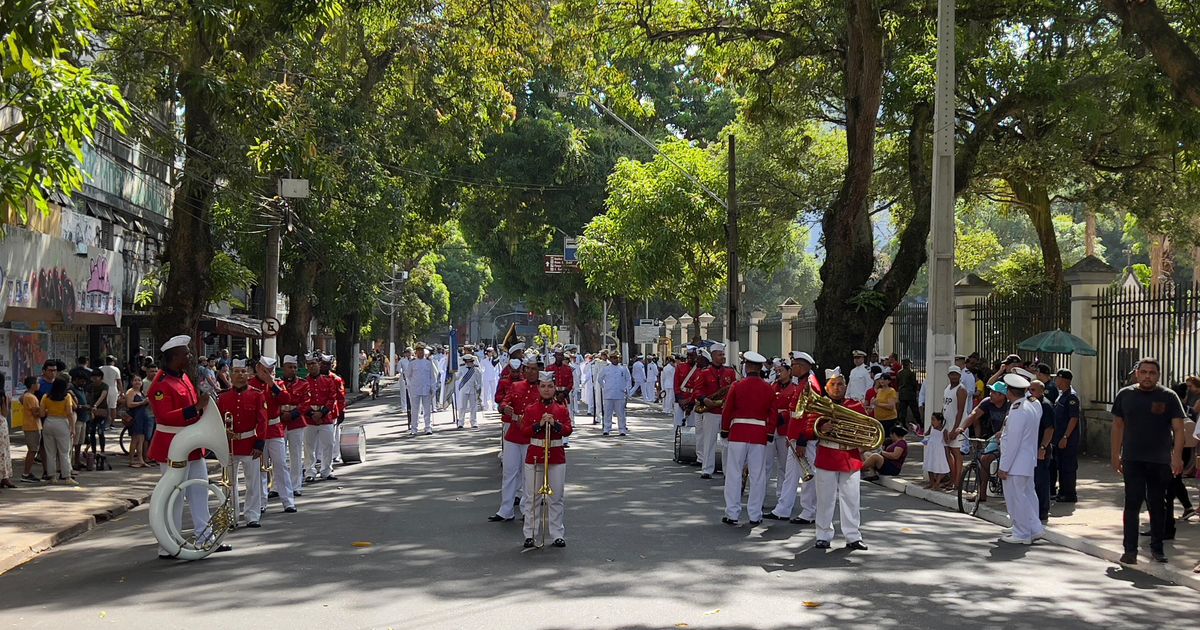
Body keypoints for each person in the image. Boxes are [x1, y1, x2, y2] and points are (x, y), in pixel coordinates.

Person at [148, 335, 232, 557]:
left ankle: (206, 537)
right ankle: (169, 543)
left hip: (192, 445)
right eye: (186, 353)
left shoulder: (183, 377)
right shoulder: (160, 384)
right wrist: (196, 407)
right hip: (172, 447)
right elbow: (165, 416)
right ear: (174, 357)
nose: (189, 356)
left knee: (200, 492)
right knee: (173, 495)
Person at [1111, 357, 1186, 565]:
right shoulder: (1125, 395)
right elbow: (1117, 426)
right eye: (1143, 372)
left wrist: (1177, 456)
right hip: (1132, 459)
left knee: (1157, 505)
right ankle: (1130, 550)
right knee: (1132, 503)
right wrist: (1115, 455)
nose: (1147, 376)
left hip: (1160, 461)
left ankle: (1157, 548)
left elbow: (1179, 429)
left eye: (1152, 373)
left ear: (1158, 376)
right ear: (1137, 374)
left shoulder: (1169, 396)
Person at [797, 369, 869, 550]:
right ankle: (823, 535)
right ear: (827, 388)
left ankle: (853, 536)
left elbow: (868, 429)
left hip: (849, 456)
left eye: (840, 384)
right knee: (825, 499)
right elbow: (806, 430)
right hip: (827, 455)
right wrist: (821, 428)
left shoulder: (855, 406)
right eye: (832, 385)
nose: (836, 388)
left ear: (845, 386)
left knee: (852, 499)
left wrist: (860, 443)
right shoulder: (820, 406)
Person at [517, 370, 573, 548]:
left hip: (556, 455)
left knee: (556, 497)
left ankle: (557, 533)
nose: (547, 390)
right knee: (532, 496)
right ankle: (530, 534)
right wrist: (539, 424)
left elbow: (567, 430)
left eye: (550, 386)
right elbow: (525, 432)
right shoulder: (531, 408)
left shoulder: (561, 409)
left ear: (555, 388)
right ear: (538, 388)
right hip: (535, 455)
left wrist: (554, 424)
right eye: (543, 386)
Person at [718, 351, 776, 525]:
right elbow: (772, 413)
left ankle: (732, 513)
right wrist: (770, 433)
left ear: (747, 366)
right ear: (759, 368)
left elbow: (727, 409)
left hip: (738, 433)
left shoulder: (737, 386)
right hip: (759, 434)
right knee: (757, 476)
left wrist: (725, 429)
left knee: (734, 473)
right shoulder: (768, 388)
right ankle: (755, 514)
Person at [217, 359, 268, 527]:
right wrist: (223, 434)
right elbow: (217, 421)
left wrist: (259, 443)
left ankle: (252, 515)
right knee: (229, 483)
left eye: (243, 372)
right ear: (230, 375)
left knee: (252, 482)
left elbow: (262, 421)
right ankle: (231, 516)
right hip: (229, 445)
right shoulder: (223, 397)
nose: (240, 375)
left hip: (249, 443)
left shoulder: (257, 395)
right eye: (236, 372)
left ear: (248, 375)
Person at [489, 359, 539, 523]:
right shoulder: (516, 386)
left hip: (531, 436)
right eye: (529, 369)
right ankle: (506, 510)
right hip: (513, 434)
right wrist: (504, 407)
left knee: (528, 474)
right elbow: (504, 401)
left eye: (534, 369)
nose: (531, 372)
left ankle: (526, 509)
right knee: (509, 472)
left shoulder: (542, 389)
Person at [998, 372, 1045, 544]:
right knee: (1027, 495)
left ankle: (1022, 533)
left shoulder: (1018, 410)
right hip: (1026, 460)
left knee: (1017, 497)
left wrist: (1003, 467)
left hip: (1016, 462)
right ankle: (1033, 528)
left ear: (1010, 392)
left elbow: (1013, 442)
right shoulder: (1032, 405)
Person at [249, 356, 296, 512]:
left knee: (280, 465)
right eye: (265, 371)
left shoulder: (277, 384)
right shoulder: (250, 385)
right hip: (257, 431)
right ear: (258, 369)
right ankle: (261, 502)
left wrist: (271, 383)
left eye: (271, 371)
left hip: (275, 429)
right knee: (260, 468)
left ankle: (288, 501)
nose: (268, 374)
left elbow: (286, 399)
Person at [695, 344, 738, 479]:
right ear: (713, 356)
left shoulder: (730, 372)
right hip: (711, 411)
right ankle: (707, 469)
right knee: (709, 440)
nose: (723, 357)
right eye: (720, 355)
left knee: (727, 443)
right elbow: (697, 390)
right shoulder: (704, 372)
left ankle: (727, 471)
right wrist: (704, 399)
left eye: (723, 354)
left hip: (726, 412)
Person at [278, 355, 308, 496]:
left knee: (296, 455)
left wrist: (293, 414)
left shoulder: (303, 384)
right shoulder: (277, 384)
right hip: (280, 422)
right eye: (290, 367)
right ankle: (276, 486)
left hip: (296, 422)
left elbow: (305, 402)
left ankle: (296, 486)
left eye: (295, 367)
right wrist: (281, 415)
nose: (293, 370)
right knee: (278, 456)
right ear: (284, 368)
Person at [39, 376, 77, 485]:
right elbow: (69, 413)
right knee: (64, 452)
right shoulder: (67, 397)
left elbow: (41, 414)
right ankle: (67, 477)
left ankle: (52, 477)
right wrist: (72, 428)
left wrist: (49, 411)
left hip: (48, 423)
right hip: (62, 423)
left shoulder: (45, 397)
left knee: (50, 452)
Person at [1028, 380, 1056, 523]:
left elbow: (1049, 429)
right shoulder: (1031, 403)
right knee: (1032, 481)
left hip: (1041, 449)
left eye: (1033, 389)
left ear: (1041, 391)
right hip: (1031, 448)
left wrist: (1043, 447)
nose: (1029, 392)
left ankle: (1042, 512)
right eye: (1028, 389)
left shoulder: (1045, 405)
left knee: (1041, 481)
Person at [1051, 369, 1081, 503]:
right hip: (1059, 437)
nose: (1055, 381)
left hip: (1067, 439)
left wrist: (1065, 437)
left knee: (1068, 467)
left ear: (1063, 380)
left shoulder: (1071, 397)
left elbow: (1073, 419)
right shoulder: (1061, 395)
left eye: (1057, 378)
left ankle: (1069, 493)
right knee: (1061, 466)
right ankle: (1062, 491)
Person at [941, 366, 969, 488]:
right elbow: (944, 407)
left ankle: (957, 482)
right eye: (952, 374)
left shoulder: (961, 389)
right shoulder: (947, 388)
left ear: (959, 375)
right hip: (947, 425)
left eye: (956, 374)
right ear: (948, 376)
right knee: (947, 452)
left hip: (956, 426)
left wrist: (955, 429)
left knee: (956, 453)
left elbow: (961, 410)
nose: (954, 377)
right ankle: (952, 478)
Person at [404, 343, 438, 435]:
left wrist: (433, 387)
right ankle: (414, 428)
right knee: (415, 410)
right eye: (418, 351)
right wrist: (411, 386)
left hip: (426, 388)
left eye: (421, 351)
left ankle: (428, 427)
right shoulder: (412, 363)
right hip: (415, 389)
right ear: (416, 352)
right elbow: (408, 376)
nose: (420, 353)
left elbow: (432, 377)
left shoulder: (428, 363)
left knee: (427, 409)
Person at [599, 353, 630, 436]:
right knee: (607, 413)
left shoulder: (623, 368)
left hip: (620, 393)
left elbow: (628, 379)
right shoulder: (606, 368)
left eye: (616, 358)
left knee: (621, 413)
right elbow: (600, 379)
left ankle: (622, 429)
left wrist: (626, 388)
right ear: (610, 359)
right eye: (613, 358)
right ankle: (607, 428)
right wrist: (604, 387)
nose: (615, 359)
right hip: (608, 394)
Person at [19, 376, 44, 482]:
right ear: (33, 385)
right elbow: (35, 413)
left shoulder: (27, 396)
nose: (39, 384)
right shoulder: (31, 397)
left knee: (33, 450)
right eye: (37, 383)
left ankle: (27, 472)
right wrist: (44, 411)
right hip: (32, 426)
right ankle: (26, 473)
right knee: (32, 450)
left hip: (32, 426)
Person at [125, 375, 151, 467]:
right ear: (132, 382)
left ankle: (140, 460)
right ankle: (132, 460)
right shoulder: (130, 392)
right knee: (135, 439)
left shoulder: (141, 392)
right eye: (135, 380)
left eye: (139, 380)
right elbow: (129, 404)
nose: (137, 382)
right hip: (136, 417)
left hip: (143, 417)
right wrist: (142, 402)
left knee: (141, 439)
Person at [922, 412, 949, 489]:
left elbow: (946, 441)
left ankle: (937, 483)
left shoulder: (944, 430)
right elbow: (926, 434)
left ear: (939, 421)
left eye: (934, 420)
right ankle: (932, 482)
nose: (932, 422)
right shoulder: (931, 428)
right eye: (931, 420)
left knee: (939, 466)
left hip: (939, 451)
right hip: (931, 449)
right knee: (929, 465)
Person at [69, 372, 90, 470]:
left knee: (80, 442)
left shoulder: (81, 389)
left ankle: (77, 460)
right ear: (76, 379)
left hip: (83, 418)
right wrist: (82, 407)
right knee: (74, 442)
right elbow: (73, 405)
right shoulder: (71, 390)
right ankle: (71, 462)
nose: (84, 382)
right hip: (76, 419)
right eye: (82, 380)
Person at [455, 354, 483, 429]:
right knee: (462, 407)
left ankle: (474, 422)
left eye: (470, 362)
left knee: (473, 407)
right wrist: (452, 373)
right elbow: (457, 377)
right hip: (463, 389)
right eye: (467, 362)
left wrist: (478, 389)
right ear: (465, 362)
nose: (469, 363)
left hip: (472, 390)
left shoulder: (476, 370)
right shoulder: (462, 368)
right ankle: (460, 422)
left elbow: (479, 381)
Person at [895, 359, 920, 428]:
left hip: (902, 394)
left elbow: (897, 383)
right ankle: (920, 423)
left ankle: (903, 424)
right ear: (908, 364)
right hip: (910, 394)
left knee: (903, 410)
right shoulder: (911, 373)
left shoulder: (899, 373)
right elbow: (914, 384)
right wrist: (915, 391)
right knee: (915, 410)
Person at [100, 355, 122, 425]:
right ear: (112, 361)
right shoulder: (116, 369)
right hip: (113, 388)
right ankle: (112, 423)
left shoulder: (100, 368)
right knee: (113, 406)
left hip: (103, 388)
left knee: (104, 405)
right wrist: (121, 391)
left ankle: (104, 421)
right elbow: (119, 381)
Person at [0, 373, 12, 488]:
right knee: (3, 451)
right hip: (1, 424)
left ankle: (4, 478)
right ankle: (5, 477)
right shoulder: (3, 395)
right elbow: (5, 413)